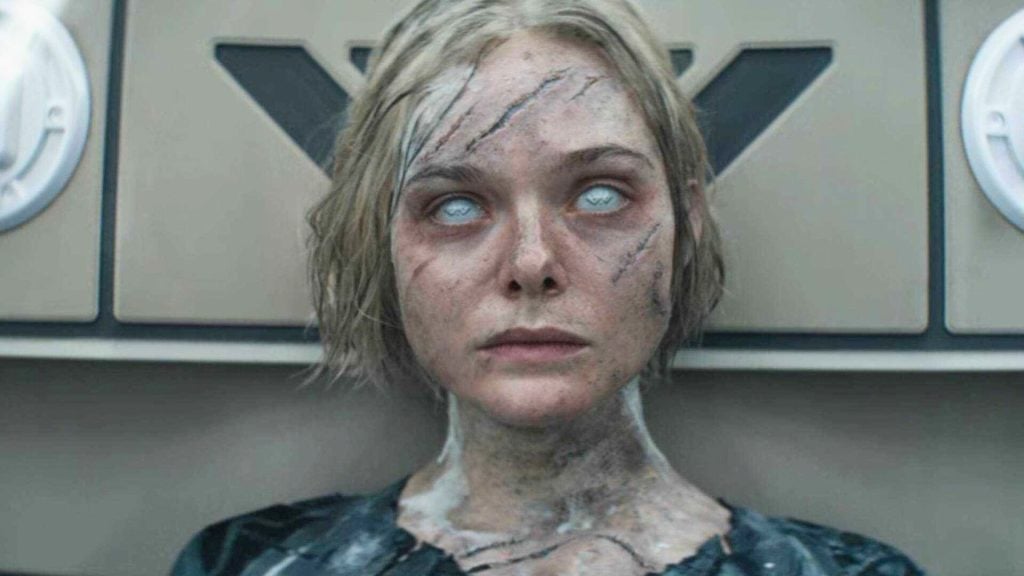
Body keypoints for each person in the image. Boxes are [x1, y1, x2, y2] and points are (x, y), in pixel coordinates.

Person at [171, 0, 927, 574]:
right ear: (382, 241)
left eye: (599, 195)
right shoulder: (242, 565)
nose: (532, 263)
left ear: (686, 226)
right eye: (455, 206)